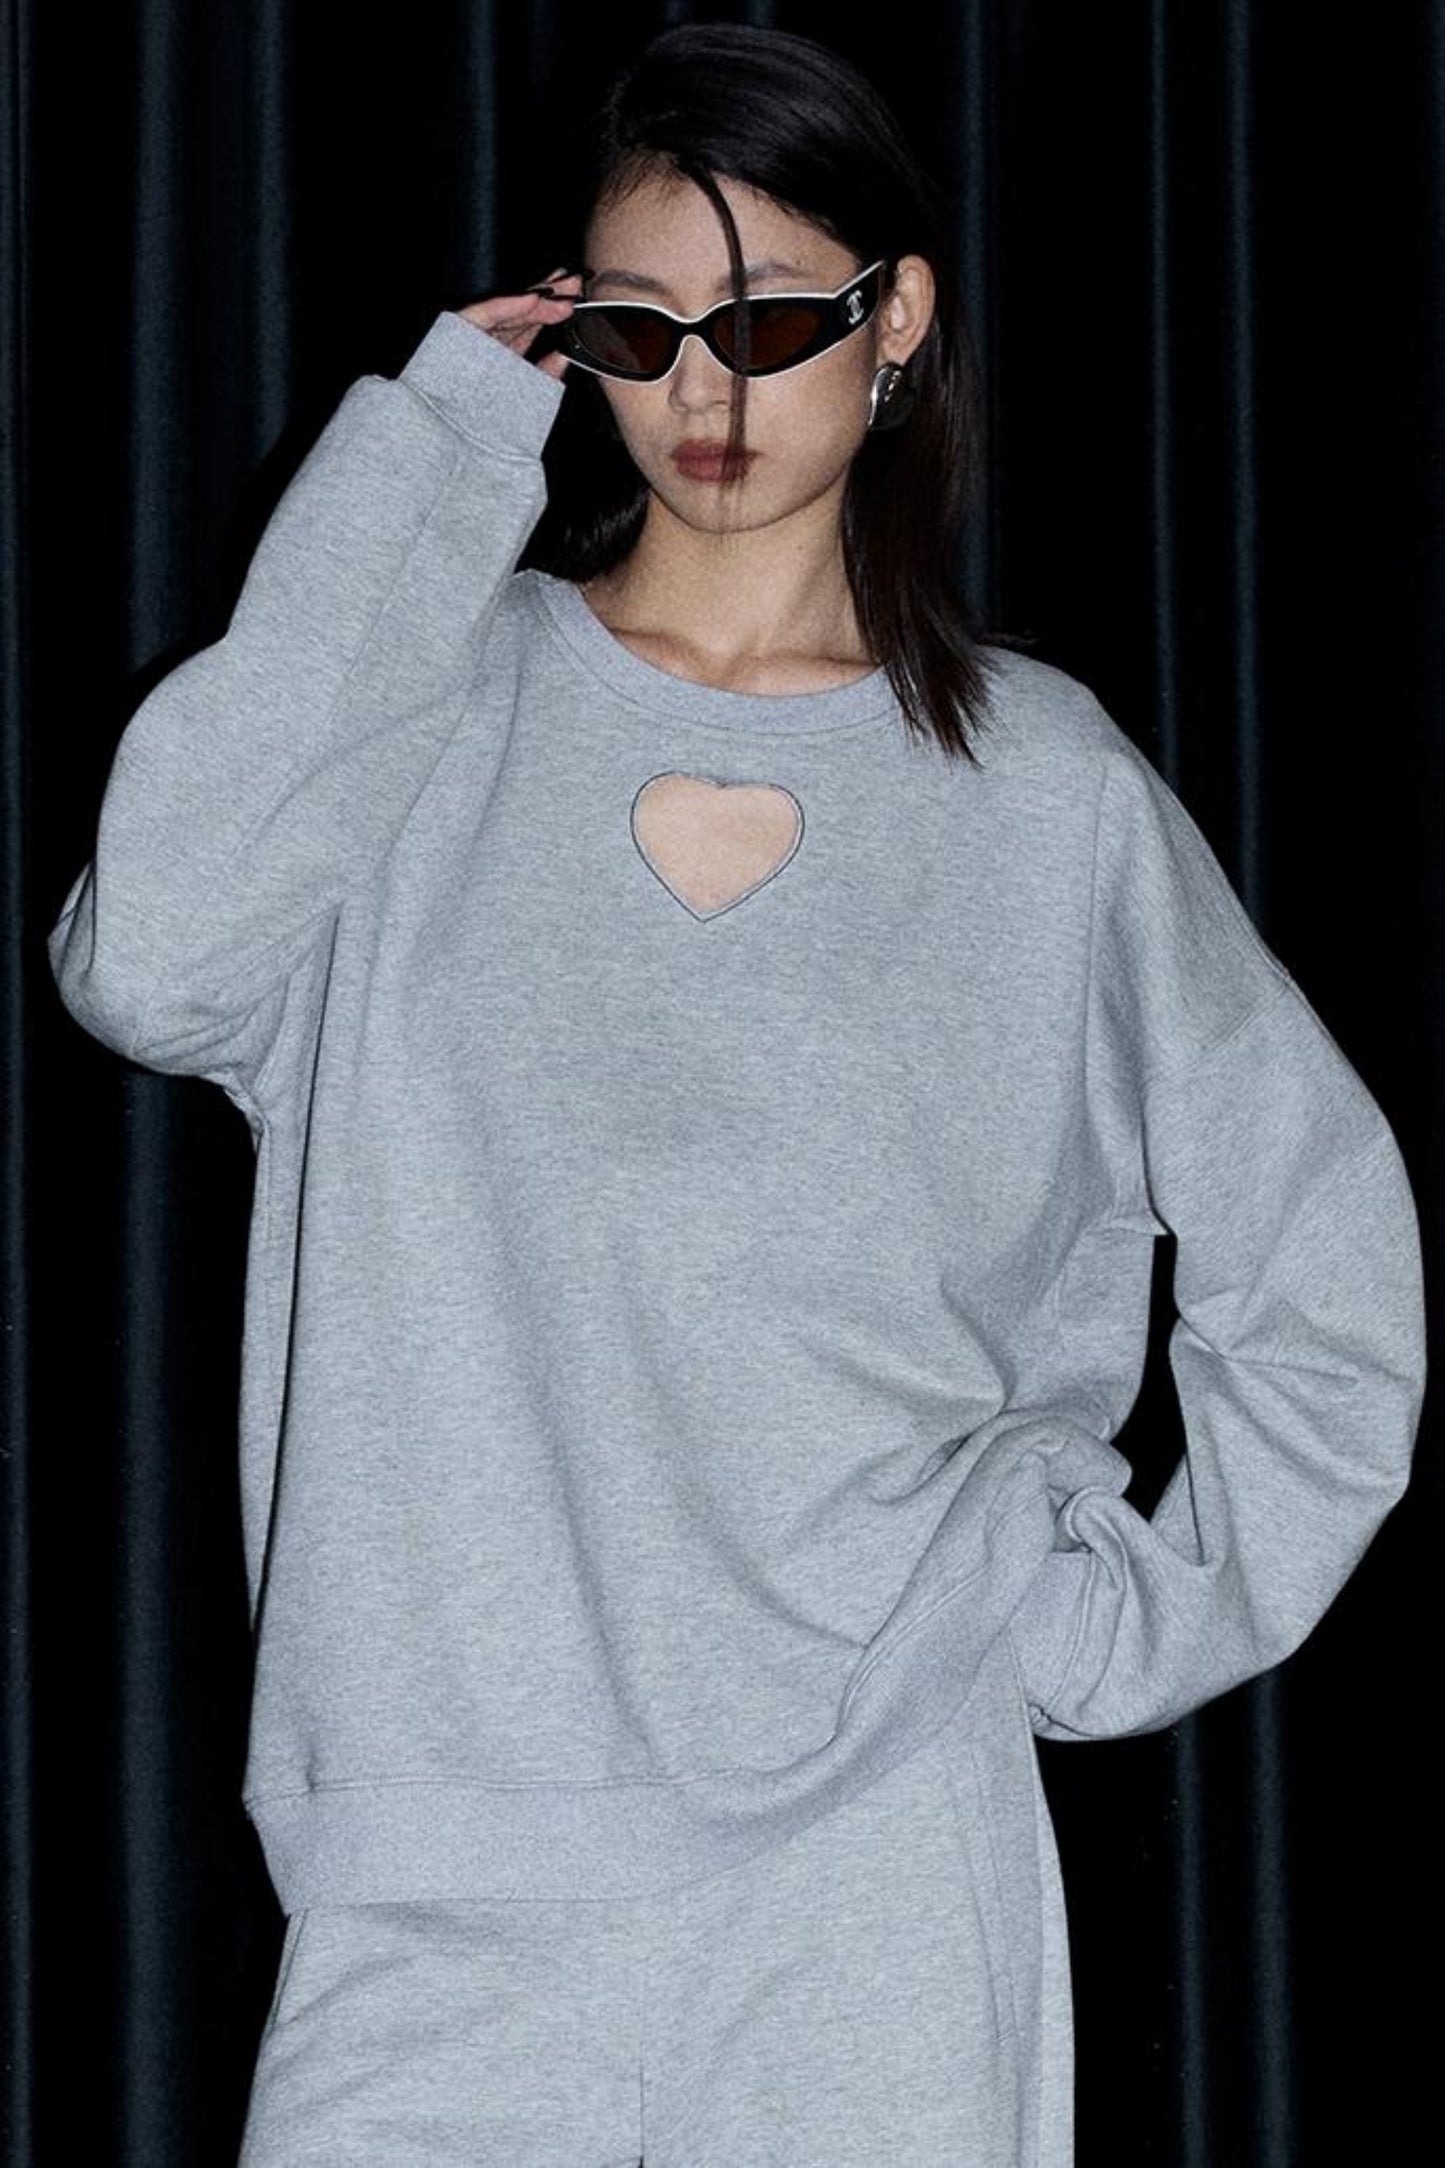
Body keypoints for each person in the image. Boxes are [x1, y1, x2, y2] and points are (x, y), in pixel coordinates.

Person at [47, 21, 1425, 2168]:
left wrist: (1123, 1618)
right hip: (440, 1869)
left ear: (900, 320)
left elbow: (1323, 1259)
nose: (705, 387)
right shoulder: (430, 714)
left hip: (885, 1851)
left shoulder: (1046, 797)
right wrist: (429, 460)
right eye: (638, 326)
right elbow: (150, 960)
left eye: (773, 318)